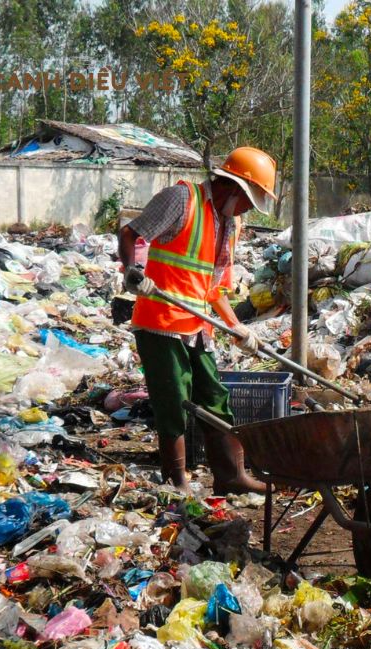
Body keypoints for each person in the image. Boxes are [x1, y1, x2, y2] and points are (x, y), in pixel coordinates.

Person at [118, 146, 277, 494]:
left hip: (198, 326)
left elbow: (215, 287)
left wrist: (237, 327)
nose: (250, 209)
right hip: (160, 322)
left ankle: (230, 476)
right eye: (250, 200)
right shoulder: (181, 200)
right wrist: (133, 271)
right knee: (173, 400)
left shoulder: (230, 225)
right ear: (234, 188)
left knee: (214, 395)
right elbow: (131, 233)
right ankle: (177, 481)